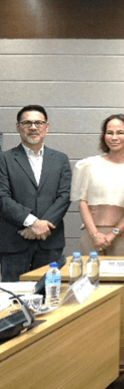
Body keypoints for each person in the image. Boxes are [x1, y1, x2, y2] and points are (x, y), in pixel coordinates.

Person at [0, 105, 71, 282]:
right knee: (13, 299)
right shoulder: (4, 159)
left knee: (49, 296)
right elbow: (2, 197)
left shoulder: (60, 159)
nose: (33, 127)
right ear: (18, 126)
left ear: (46, 127)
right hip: (15, 241)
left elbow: (65, 196)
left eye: (38, 123)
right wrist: (32, 222)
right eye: (27, 123)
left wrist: (42, 226)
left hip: (50, 242)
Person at [72, 114, 124, 257]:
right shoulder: (87, 165)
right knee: (89, 276)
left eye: (120, 133)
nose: (114, 137)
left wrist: (114, 233)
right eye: (109, 133)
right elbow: (82, 202)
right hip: (92, 234)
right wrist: (95, 234)